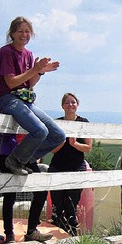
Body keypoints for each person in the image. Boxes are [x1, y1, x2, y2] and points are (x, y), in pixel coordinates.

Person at [0, 16, 65, 176]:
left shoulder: (28, 54)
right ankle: (14, 160)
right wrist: (34, 69)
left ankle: (23, 159)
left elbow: (29, 83)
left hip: (25, 100)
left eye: (27, 31)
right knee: (40, 131)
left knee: (59, 135)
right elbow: (11, 83)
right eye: (20, 31)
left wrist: (39, 71)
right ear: (12, 33)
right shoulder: (6, 52)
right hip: (8, 98)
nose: (24, 35)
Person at [46, 92, 93, 236]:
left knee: (72, 205)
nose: (70, 105)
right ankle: (57, 235)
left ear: (77, 105)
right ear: (62, 106)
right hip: (57, 166)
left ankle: (72, 235)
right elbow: (52, 150)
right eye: (67, 102)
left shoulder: (84, 122)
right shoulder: (56, 123)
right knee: (57, 205)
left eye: (73, 102)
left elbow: (88, 148)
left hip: (76, 167)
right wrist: (64, 142)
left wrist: (74, 144)